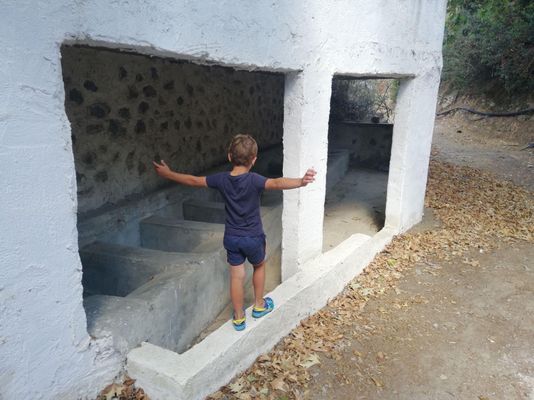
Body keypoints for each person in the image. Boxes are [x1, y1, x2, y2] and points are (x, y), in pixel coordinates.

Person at [153, 134, 316, 331]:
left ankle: (239, 317)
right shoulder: (255, 180)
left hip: (232, 237)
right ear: (254, 160)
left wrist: (168, 173)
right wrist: (301, 181)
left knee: (236, 276)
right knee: (259, 266)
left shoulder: (221, 179)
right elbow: (277, 183)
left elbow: (193, 180)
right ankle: (259, 305)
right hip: (253, 237)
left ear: (229, 156)